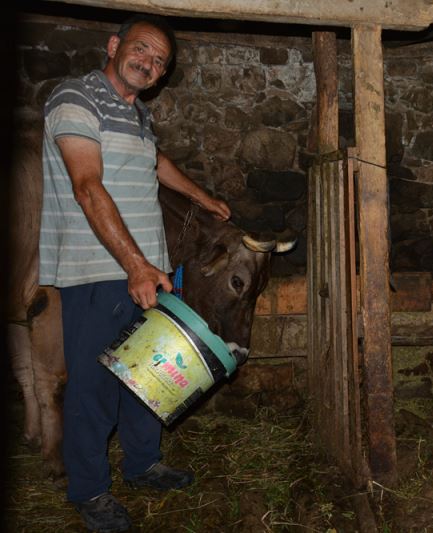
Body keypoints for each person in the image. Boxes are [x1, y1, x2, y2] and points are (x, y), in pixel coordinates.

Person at [39, 14, 231, 532]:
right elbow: (86, 186)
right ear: (114, 44)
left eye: (159, 62)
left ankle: (143, 463)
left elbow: (156, 161)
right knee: (94, 386)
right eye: (142, 51)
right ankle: (89, 489)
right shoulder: (75, 99)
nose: (149, 63)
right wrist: (135, 265)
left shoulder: (137, 114)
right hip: (102, 269)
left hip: (146, 269)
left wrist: (201, 197)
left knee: (146, 376)